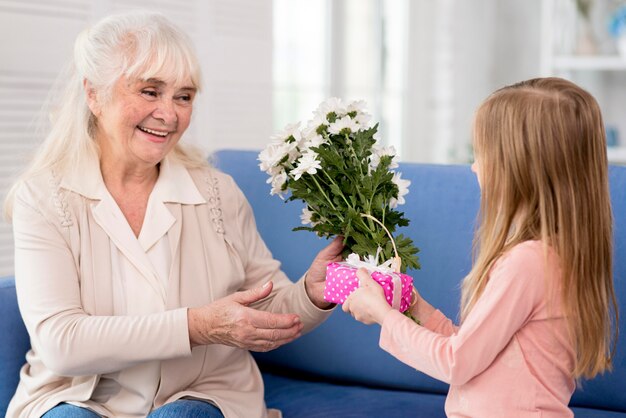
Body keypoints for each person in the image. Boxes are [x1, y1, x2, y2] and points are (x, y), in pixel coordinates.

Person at [4, 11, 342, 418]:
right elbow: (62, 343)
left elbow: (264, 310)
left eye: (183, 96)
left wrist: (311, 294)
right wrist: (197, 326)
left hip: (200, 391)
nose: (170, 114)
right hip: (77, 395)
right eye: (150, 91)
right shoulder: (42, 197)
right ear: (94, 94)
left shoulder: (218, 192)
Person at [342, 77, 618, 417]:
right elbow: (478, 353)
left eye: (481, 154)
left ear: (518, 167)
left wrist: (382, 315)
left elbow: (456, 362)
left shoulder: (528, 263)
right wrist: (415, 307)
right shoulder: (552, 255)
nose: (474, 166)